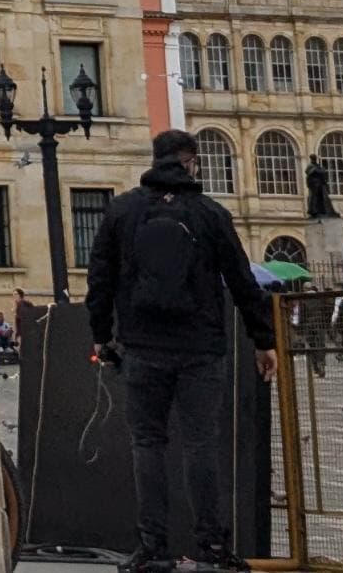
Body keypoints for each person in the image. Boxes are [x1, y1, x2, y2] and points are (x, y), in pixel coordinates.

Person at [86, 129, 278, 573]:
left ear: (155, 160)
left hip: (141, 346)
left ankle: (152, 547)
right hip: (200, 348)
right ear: (191, 162)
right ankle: (211, 544)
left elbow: (101, 279)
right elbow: (241, 278)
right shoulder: (209, 213)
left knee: (147, 443)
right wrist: (262, 338)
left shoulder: (123, 211)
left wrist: (101, 333)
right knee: (200, 445)